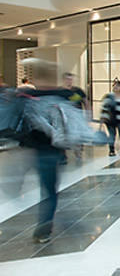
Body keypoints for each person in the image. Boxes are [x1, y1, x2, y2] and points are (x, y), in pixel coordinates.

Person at [15, 59, 66, 243]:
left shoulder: (28, 97)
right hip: (51, 151)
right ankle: (43, 228)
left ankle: (43, 226)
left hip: (35, 150)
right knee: (50, 191)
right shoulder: (58, 98)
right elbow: (63, 125)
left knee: (47, 188)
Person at [59, 72, 89, 164]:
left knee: (77, 136)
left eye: (71, 79)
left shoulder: (78, 91)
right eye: (67, 79)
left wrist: (88, 114)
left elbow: (86, 102)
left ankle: (78, 153)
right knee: (63, 136)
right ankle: (63, 156)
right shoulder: (60, 91)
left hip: (76, 117)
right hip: (64, 117)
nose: (69, 81)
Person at [100, 80, 120, 156]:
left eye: (118, 86)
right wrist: (102, 119)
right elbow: (104, 108)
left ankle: (119, 146)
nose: (115, 87)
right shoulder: (109, 96)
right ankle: (112, 150)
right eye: (114, 86)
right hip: (110, 120)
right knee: (112, 135)